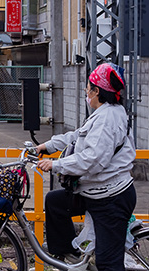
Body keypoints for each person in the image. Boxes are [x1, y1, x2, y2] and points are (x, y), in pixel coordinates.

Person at [35, 62, 136, 271]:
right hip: (95, 192)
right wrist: (48, 145)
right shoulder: (103, 113)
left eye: (88, 86)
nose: (85, 90)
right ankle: (70, 255)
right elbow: (77, 136)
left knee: (108, 263)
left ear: (97, 91)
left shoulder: (108, 118)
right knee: (55, 202)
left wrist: (56, 164)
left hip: (110, 199)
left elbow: (93, 159)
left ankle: (79, 258)